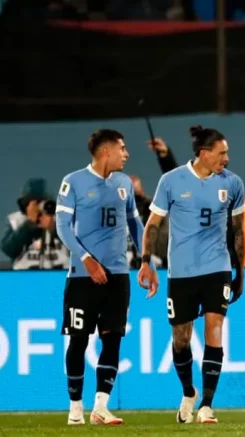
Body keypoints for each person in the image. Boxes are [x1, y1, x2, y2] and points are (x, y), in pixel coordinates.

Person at [138, 125, 245, 425]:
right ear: (204, 153)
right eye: (221, 153)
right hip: (182, 271)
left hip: (217, 267)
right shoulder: (172, 181)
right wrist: (146, 261)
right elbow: (153, 224)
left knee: (214, 330)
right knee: (181, 339)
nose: (226, 158)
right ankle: (189, 392)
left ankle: (208, 406)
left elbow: (238, 232)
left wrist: (240, 271)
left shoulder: (233, 184)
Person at [56, 129, 152, 426]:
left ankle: (100, 407)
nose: (127, 154)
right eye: (122, 148)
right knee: (78, 339)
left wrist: (146, 260)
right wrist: (86, 260)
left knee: (112, 340)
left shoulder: (123, 183)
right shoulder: (73, 182)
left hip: (118, 276)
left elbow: (136, 225)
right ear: (105, 151)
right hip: (83, 277)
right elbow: (62, 226)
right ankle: (75, 408)